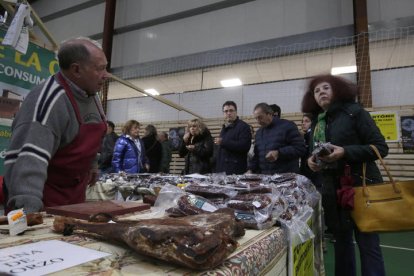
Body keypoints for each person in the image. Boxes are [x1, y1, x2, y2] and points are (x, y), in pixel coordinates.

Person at [3, 37, 109, 212]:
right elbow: (28, 160)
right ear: (76, 70)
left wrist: (92, 165)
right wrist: (27, 215)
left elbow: (95, 136)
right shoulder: (49, 100)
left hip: (74, 197)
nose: (106, 75)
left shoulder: (91, 95)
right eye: (100, 69)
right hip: (43, 198)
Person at [301, 74, 388, 276]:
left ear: (337, 90)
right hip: (332, 188)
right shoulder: (316, 122)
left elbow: (380, 147)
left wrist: (345, 152)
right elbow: (314, 151)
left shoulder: (355, 112)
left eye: (325, 88)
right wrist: (311, 161)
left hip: (361, 186)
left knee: (368, 244)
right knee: (341, 243)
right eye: (316, 90)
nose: (321, 92)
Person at [247, 102, 306, 174]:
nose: (258, 121)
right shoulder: (259, 133)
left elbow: (300, 148)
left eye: (260, 117)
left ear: (269, 114)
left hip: (285, 178)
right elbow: (256, 155)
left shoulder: (287, 126)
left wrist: (279, 153)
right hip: (266, 178)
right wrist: (251, 169)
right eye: (256, 118)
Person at [214, 101, 251, 174]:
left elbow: (244, 146)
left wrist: (223, 142)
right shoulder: (224, 127)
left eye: (231, 110)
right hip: (222, 169)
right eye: (226, 111)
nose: (228, 113)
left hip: (235, 170)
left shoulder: (243, 127)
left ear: (236, 112)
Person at [300, 113, 314, 178]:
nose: (303, 123)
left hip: (311, 171)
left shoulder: (312, 135)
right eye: (302, 121)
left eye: (307, 121)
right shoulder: (304, 135)